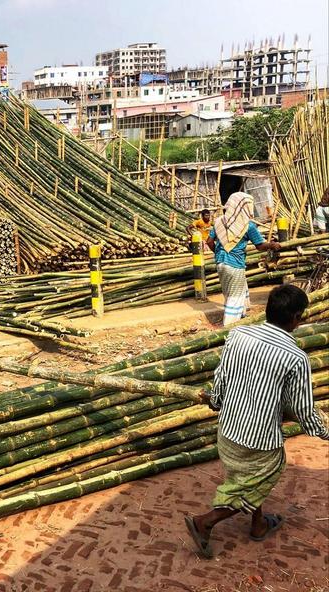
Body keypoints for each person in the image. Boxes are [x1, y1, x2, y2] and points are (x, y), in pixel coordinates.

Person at [185, 285, 329, 559]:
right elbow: (303, 408)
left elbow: (222, 375)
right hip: (260, 440)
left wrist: (216, 400)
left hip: (228, 431)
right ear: (297, 317)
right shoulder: (295, 357)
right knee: (263, 475)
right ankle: (205, 522)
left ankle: (258, 524)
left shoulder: (238, 334)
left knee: (245, 477)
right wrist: (323, 431)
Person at [206, 192, 281, 326]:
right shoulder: (247, 225)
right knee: (235, 297)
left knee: (229, 292)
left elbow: (209, 241)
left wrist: (218, 253)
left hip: (220, 263)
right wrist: (272, 245)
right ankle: (230, 327)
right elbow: (260, 246)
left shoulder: (219, 221)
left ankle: (241, 317)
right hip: (235, 264)